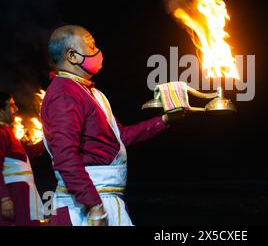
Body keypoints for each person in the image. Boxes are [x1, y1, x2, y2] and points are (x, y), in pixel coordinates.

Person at [41, 25, 178, 226]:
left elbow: (119, 138)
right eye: (91, 45)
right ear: (72, 55)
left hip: (105, 200)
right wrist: (93, 205)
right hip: (84, 208)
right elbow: (64, 156)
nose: (97, 51)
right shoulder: (64, 93)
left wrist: (165, 120)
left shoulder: (92, 93)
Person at [0, 92, 44, 226]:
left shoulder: (6, 131)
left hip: (21, 192)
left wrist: (46, 138)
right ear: (0, 111)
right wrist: (5, 198)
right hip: (13, 192)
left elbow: (24, 156)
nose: (16, 109)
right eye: (11, 105)